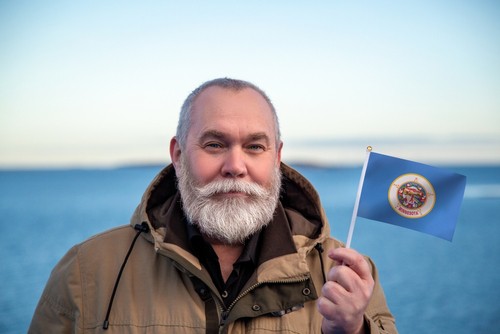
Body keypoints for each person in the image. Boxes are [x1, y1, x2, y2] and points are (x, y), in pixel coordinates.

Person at [29, 78, 397, 333]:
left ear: (277, 156)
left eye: (255, 146)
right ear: (178, 155)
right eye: (215, 145)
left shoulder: (347, 277)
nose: (235, 166)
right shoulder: (88, 270)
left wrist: (353, 330)